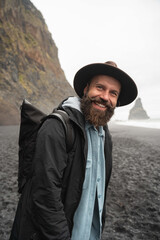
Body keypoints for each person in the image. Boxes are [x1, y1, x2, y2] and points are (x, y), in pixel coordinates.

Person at [9, 61, 138, 240]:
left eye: (113, 93)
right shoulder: (58, 127)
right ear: (86, 89)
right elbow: (45, 194)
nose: (105, 97)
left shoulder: (104, 135)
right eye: (100, 87)